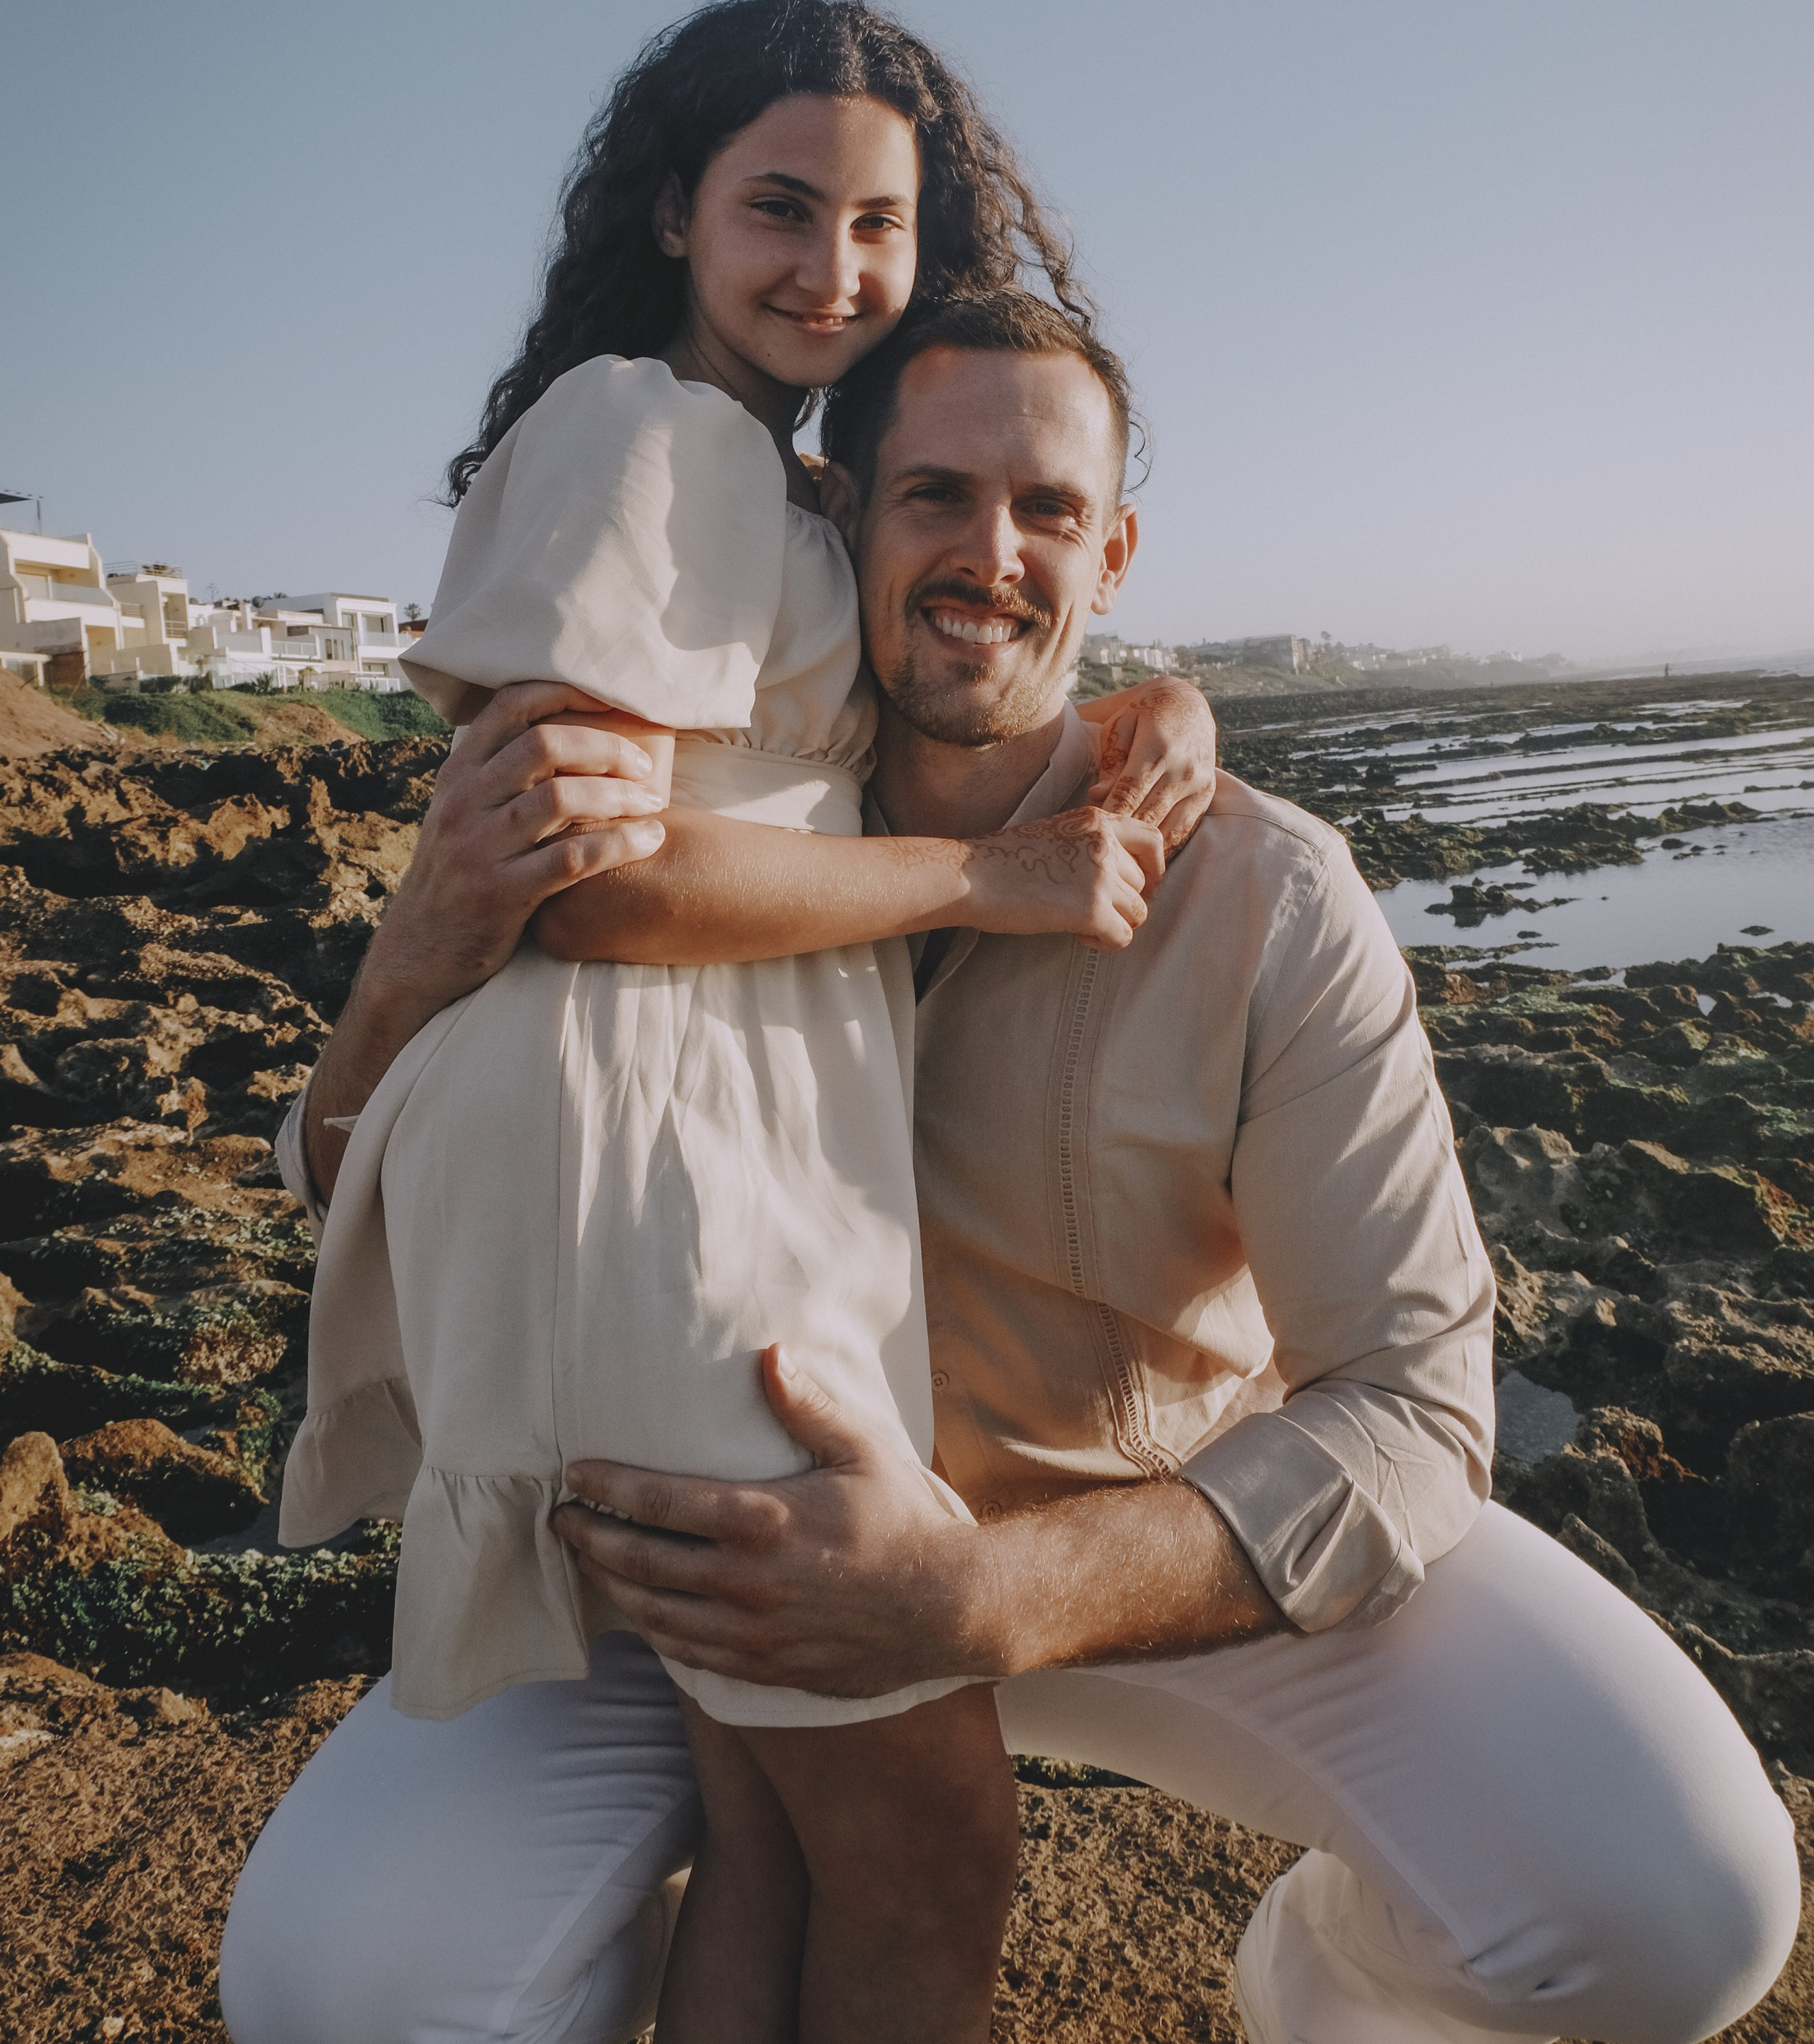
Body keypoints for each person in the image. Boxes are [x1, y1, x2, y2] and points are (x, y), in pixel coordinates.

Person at [223, 298, 1801, 2044]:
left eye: (1047, 510)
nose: (991, 553)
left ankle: (1317, 1989)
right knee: (337, 1991)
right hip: (694, 1580)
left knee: (1680, 1903)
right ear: (836, 515)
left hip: (1134, 1546)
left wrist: (980, 1595)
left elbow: (1417, 1409)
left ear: (1111, 550)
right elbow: (337, 1179)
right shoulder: (646, 839)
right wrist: (410, 960)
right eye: (936, 495)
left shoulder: (1262, 894)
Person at [265, 0, 1218, 2044]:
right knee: (930, 1839)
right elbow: (593, 896)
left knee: (775, 1837)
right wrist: (1005, 878)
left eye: (879, 226)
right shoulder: (641, 426)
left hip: (720, 1159)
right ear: (674, 214)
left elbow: (941, 672)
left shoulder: (778, 484)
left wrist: (1162, 701)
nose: (836, 270)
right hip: (659, 1176)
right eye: (780, 209)